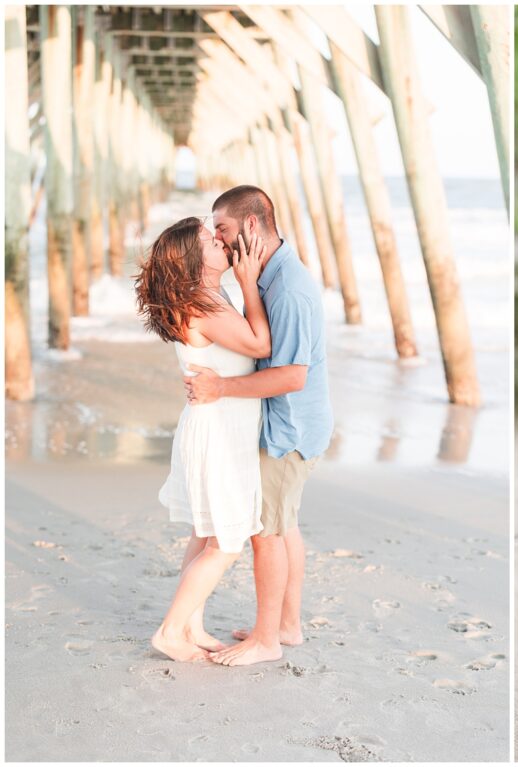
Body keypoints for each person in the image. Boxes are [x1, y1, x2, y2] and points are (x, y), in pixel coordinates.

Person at [187, 185, 334, 667]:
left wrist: (220, 389)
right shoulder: (267, 274)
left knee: (264, 531)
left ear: (251, 225)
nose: (220, 241)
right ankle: (285, 626)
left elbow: (292, 376)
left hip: (289, 430)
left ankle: (267, 640)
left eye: (224, 230)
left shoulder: (286, 288)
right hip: (296, 425)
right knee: (284, 525)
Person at [135, 216, 272, 662]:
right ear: (194, 260)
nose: (220, 241)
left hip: (215, 425)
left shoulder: (206, 295)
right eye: (209, 240)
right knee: (227, 543)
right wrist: (250, 283)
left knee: (206, 531)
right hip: (218, 432)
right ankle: (171, 630)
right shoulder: (204, 304)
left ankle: (190, 623)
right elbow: (259, 345)